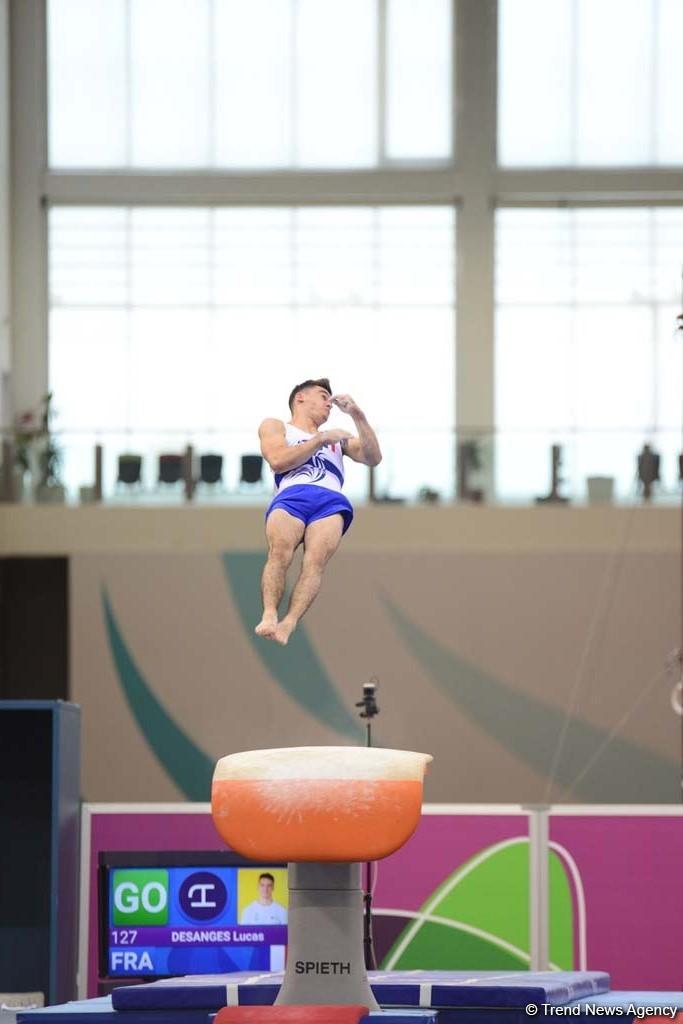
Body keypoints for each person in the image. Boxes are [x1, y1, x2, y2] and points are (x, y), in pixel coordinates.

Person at [255, 378, 382, 645]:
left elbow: (373, 457)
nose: (329, 403)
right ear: (300, 398)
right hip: (293, 494)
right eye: (323, 395)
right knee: (279, 553)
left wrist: (357, 415)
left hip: (329, 500)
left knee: (315, 563)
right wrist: (321, 439)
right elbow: (278, 461)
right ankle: (269, 614)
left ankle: (288, 624)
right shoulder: (278, 426)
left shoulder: (340, 440)